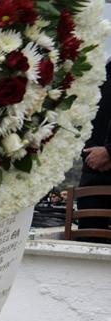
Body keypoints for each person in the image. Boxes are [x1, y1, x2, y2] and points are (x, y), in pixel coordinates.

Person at [78, 59, 111, 242]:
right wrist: (89, 153)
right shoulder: (101, 71)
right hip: (93, 178)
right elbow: (84, 118)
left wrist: (109, 152)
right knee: (88, 250)